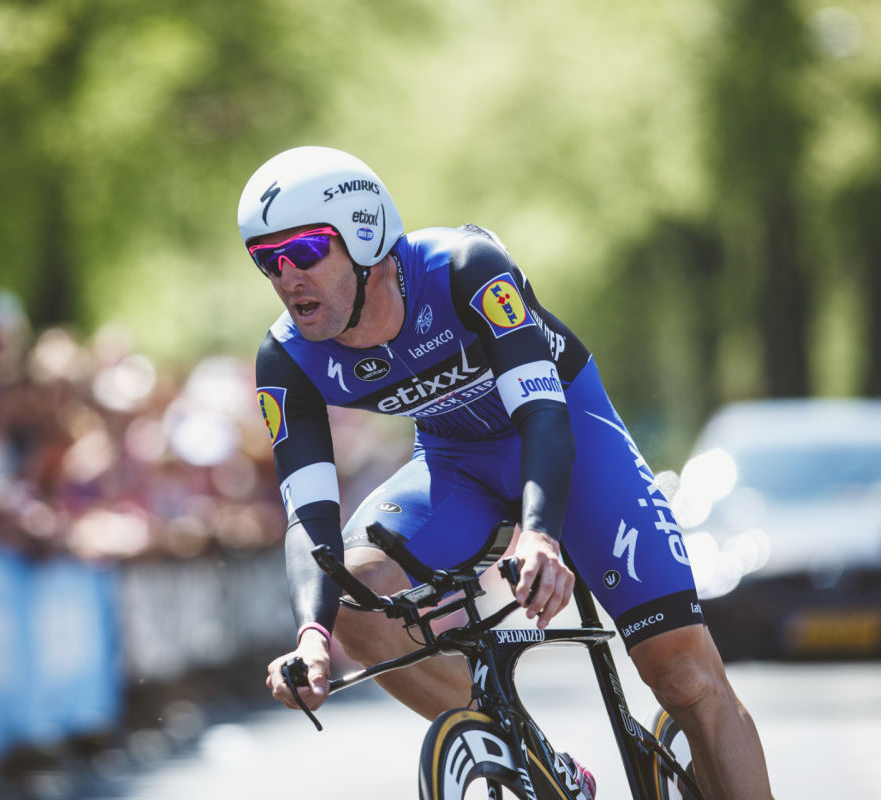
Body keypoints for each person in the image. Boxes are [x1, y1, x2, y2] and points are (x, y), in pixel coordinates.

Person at [239, 146, 772, 799]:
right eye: (266, 258)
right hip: (454, 465)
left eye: (304, 250)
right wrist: (312, 637)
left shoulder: (464, 268)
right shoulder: (286, 357)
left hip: (566, 437)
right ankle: (540, 763)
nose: (286, 275)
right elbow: (308, 517)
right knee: (351, 601)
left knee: (684, 676)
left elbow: (544, 415)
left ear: (364, 235)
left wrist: (542, 535)